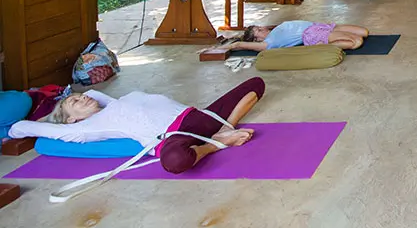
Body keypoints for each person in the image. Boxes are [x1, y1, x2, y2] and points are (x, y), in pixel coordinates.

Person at [9, 78, 267, 175]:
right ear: (71, 120)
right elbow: (21, 128)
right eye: (76, 102)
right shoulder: (81, 130)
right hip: (173, 136)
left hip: (199, 117)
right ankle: (216, 144)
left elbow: (95, 93)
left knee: (256, 84)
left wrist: (74, 103)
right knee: (175, 161)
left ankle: (225, 130)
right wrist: (43, 121)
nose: (84, 97)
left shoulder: (113, 103)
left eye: (80, 95)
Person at [225, 20, 370, 51]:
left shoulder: (275, 30)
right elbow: (239, 44)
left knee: (364, 32)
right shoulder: (269, 43)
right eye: (259, 31)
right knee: (357, 42)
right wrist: (231, 46)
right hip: (312, 34)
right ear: (257, 39)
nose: (263, 28)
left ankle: (325, 42)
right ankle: (322, 46)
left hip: (318, 25)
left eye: (259, 27)